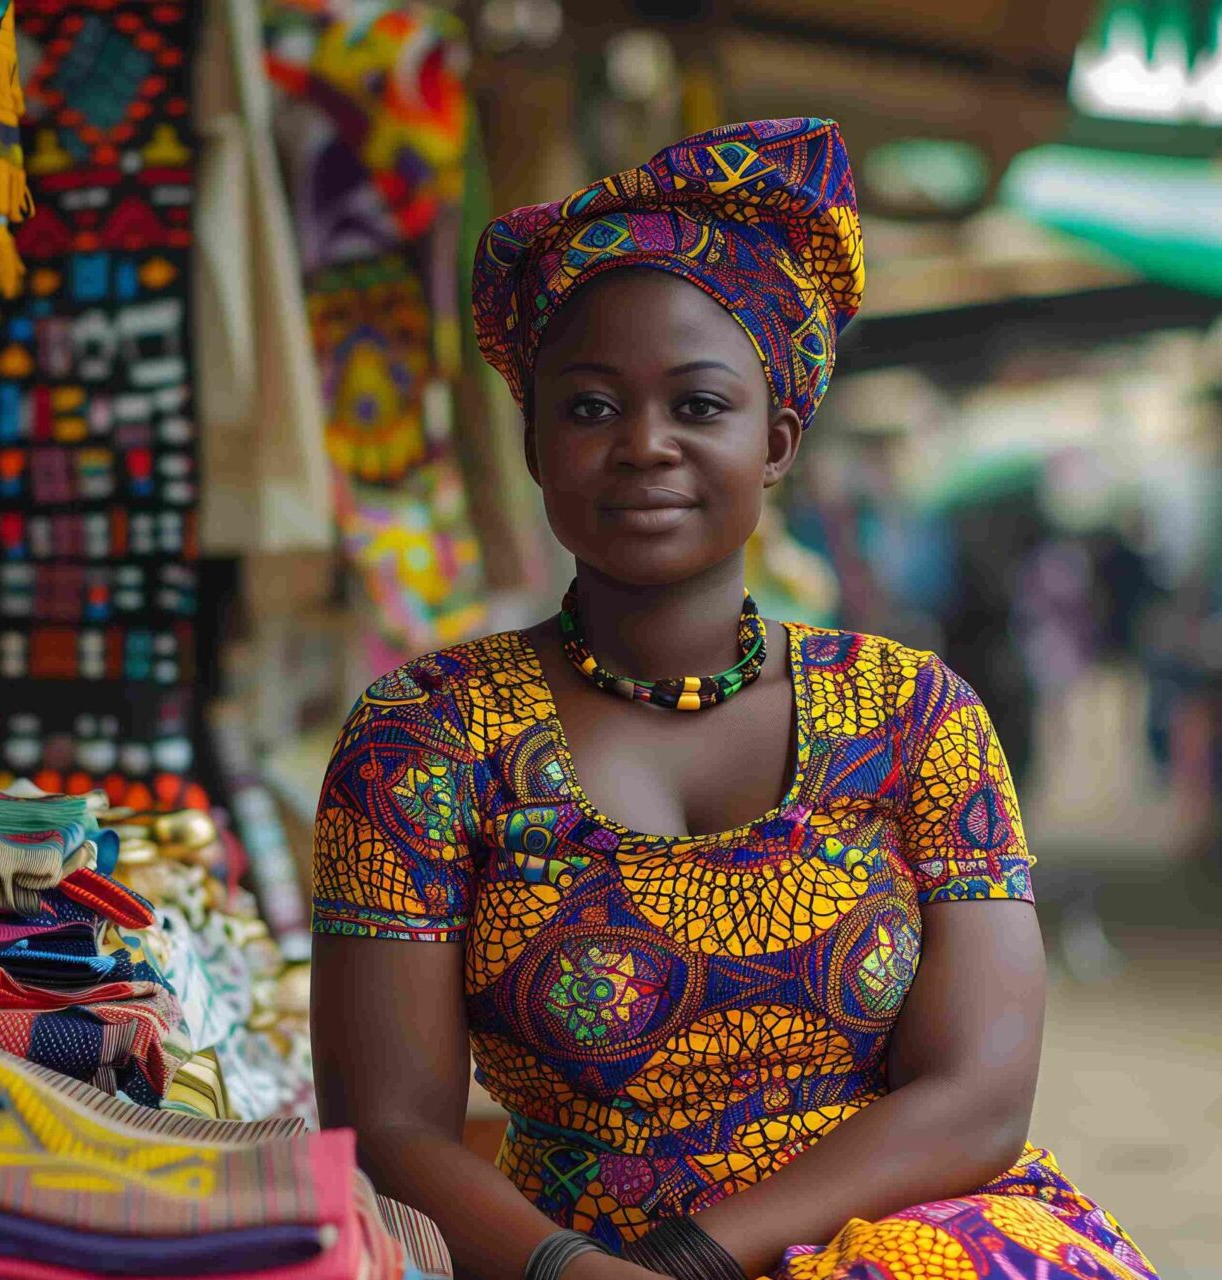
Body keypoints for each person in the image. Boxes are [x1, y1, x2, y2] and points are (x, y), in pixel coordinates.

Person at [309, 119, 1156, 1280]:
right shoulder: (424, 734)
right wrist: (577, 1271)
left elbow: (977, 1096)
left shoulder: (915, 716)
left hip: (899, 1238)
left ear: (778, 437)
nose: (644, 445)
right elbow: (389, 1129)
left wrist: (697, 1261)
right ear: (533, 441)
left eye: (700, 405)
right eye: (592, 406)